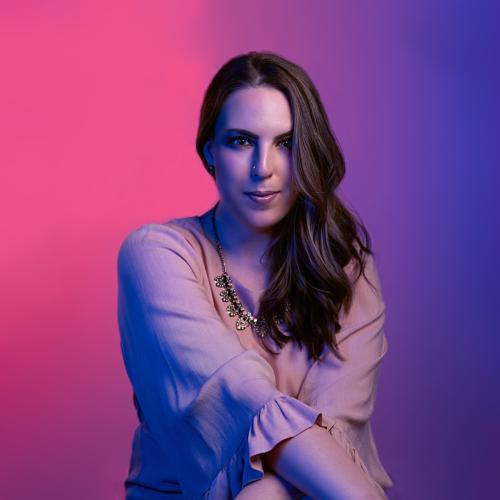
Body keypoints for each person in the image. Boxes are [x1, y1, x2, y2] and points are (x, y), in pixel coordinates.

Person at [117, 51, 394, 499]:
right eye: (241, 141)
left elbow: (338, 439)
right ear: (210, 150)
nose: (263, 167)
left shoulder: (345, 268)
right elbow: (235, 400)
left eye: (285, 143)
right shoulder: (157, 256)